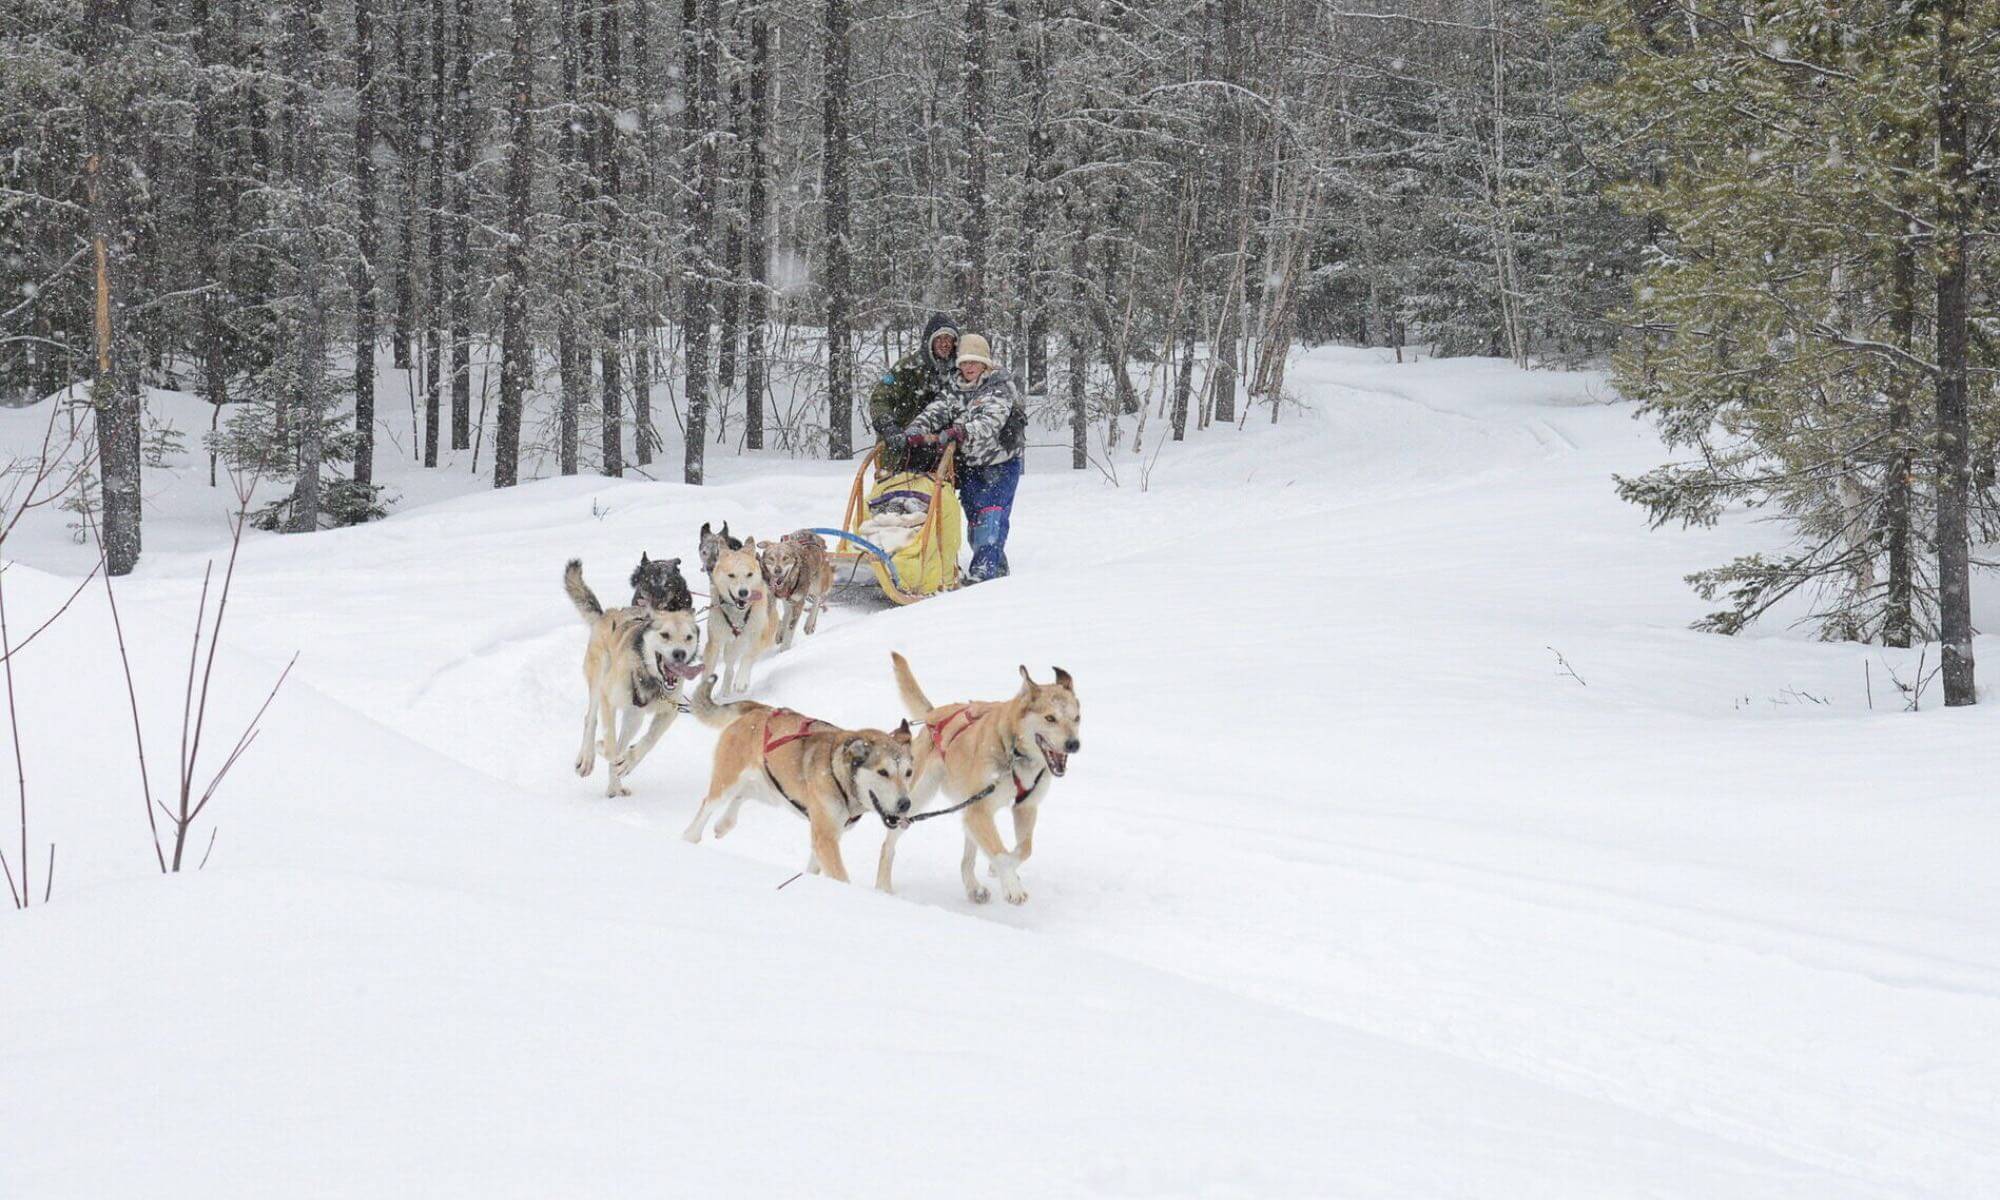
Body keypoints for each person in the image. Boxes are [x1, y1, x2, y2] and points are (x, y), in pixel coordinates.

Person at [902, 333, 1027, 582]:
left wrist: (962, 431)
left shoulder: (998, 387)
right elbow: (936, 410)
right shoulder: (955, 387)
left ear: (985, 363)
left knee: (991, 514)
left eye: (974, 362)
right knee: (974, 516)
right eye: (964, 362)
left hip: (1000, 463)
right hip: (970, 465)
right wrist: (915, 430)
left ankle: (984, 569)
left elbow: (989, 422)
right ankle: (995, 564)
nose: (968, 367)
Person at [868, 313, 958, 474]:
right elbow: (880, 397)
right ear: (929, 341)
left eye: (949, 339)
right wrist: (888, 426)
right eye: (939, 339)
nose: (945, 344)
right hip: (905, 443)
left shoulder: (961, 370)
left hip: (945, 447)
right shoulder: (908, 367)